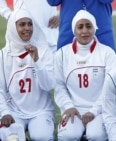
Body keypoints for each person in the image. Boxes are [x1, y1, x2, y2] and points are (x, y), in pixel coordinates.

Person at [54, 10, 116, 141]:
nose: (84, 31)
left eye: (89, 26)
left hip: (101, 109)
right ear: (74, 29)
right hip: (73, 110)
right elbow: (58, 86)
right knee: (68, 135)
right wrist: (68, 107)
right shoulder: (61, 54)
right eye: (80, 26)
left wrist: (94, 111)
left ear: (95, 27)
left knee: (97, 135)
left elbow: (111, 89)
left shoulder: (107, 53)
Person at [0, 8, 55, 140]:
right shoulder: (3, 55)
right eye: (22, 24)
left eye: (30, 24)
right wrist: (5, 113)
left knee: (41, 137)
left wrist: (37, 61)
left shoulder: (43, 51)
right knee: (11, 138)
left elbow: (49, 85)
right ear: (13, 27)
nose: (27, 28)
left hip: (41, 111)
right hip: (14, 111)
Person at [47, 0, 116, 53]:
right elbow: (53, 1)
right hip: (69, 32)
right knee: (64, 66)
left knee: (108, 68)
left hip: (101, 30)